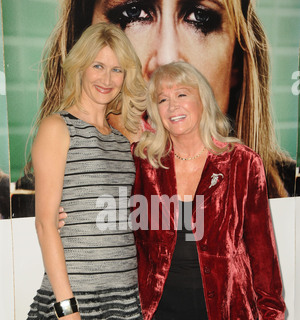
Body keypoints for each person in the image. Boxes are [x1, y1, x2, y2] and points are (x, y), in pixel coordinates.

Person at [8, 23, 167, 320]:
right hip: (79, 302)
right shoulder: (57, 128)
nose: (107, 79)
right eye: (98, 66)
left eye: (117, 70)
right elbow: (46, 224)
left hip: (125, 303)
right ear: (80, 66)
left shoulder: (122, 135)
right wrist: (66, 309)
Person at [130, 61, 289, 320]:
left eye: (182, 94)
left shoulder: (240, 162)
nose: (172, 106)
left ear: (203, 99)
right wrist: (66, 212)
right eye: (162, 99)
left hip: (233, 319)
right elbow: (124, 230)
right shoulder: (144, 162)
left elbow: (261, 248)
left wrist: (273, 319)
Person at [33, 0, 295, 198]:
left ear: (235, 62)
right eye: (133, 13)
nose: (167, 62)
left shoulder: (289, 197)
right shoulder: (21, 205)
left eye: (199, 17)